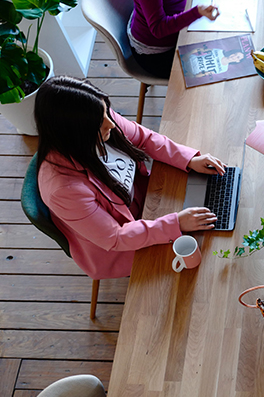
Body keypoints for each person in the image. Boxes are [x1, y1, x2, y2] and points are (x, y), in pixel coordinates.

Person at [35, 76, 226, 280]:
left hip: (148, 203)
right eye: (101, 122)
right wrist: (175, 223)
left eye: (107, 111)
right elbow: (116, 237)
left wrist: (189, 159)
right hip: (119, 247)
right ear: (75, 133)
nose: (112, 123)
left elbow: (144, 138)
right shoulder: (63, 190)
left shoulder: (97, 119)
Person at [127, 0, 219, 79]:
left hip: (179, 29)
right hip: (157, 53)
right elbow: (158, 28)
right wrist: (196, 12)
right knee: (213, 76)